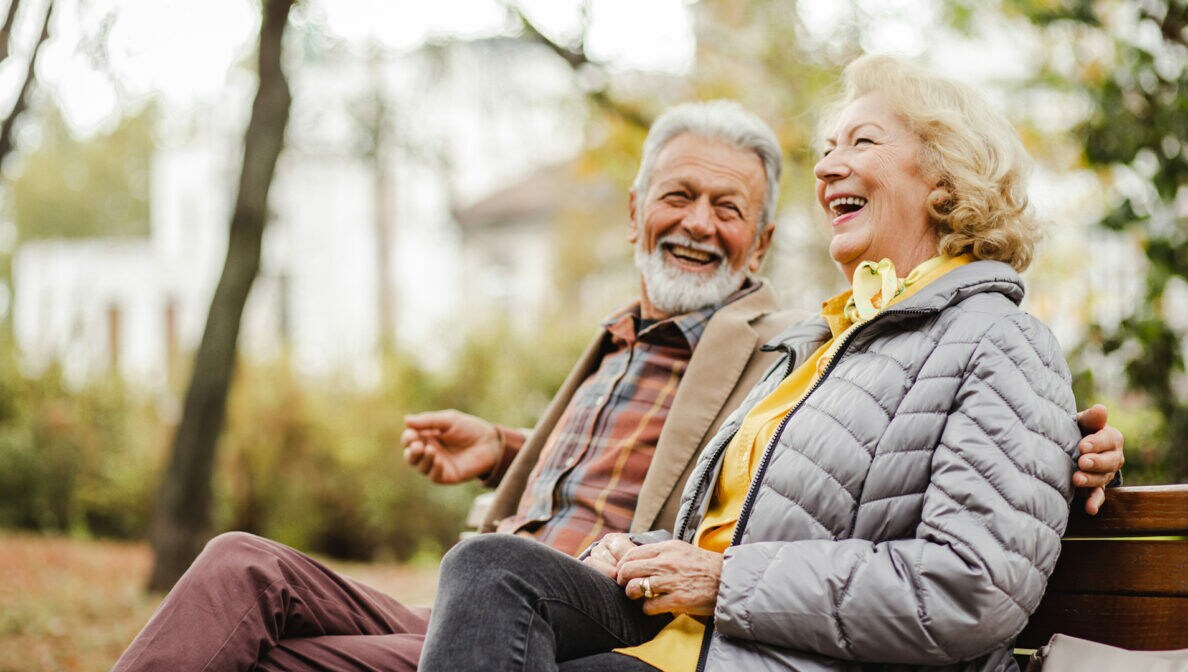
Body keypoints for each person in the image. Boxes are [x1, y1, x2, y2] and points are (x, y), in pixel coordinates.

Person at [112, 99, 1122, 672]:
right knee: (243, 566)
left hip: (602, 614)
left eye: (729, 208)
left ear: (764, 242)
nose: (697, 222)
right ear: (634, 210)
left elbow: (948, 470)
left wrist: (1076, 443)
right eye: (676, 196)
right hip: (500, 606)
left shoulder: (777, 335)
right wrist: (509, 449)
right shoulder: (655, 341)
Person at [418, 55, 1098, 672]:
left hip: (773, 654)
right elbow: (753, 525)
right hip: (693, 638)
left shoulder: (1001, 341)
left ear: (947, 179)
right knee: (488, 569)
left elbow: (970, 586)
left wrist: (721, 581)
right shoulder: (824, 341)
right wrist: (645, 549)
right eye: (829, 148)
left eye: (862, 142)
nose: (827, 166)